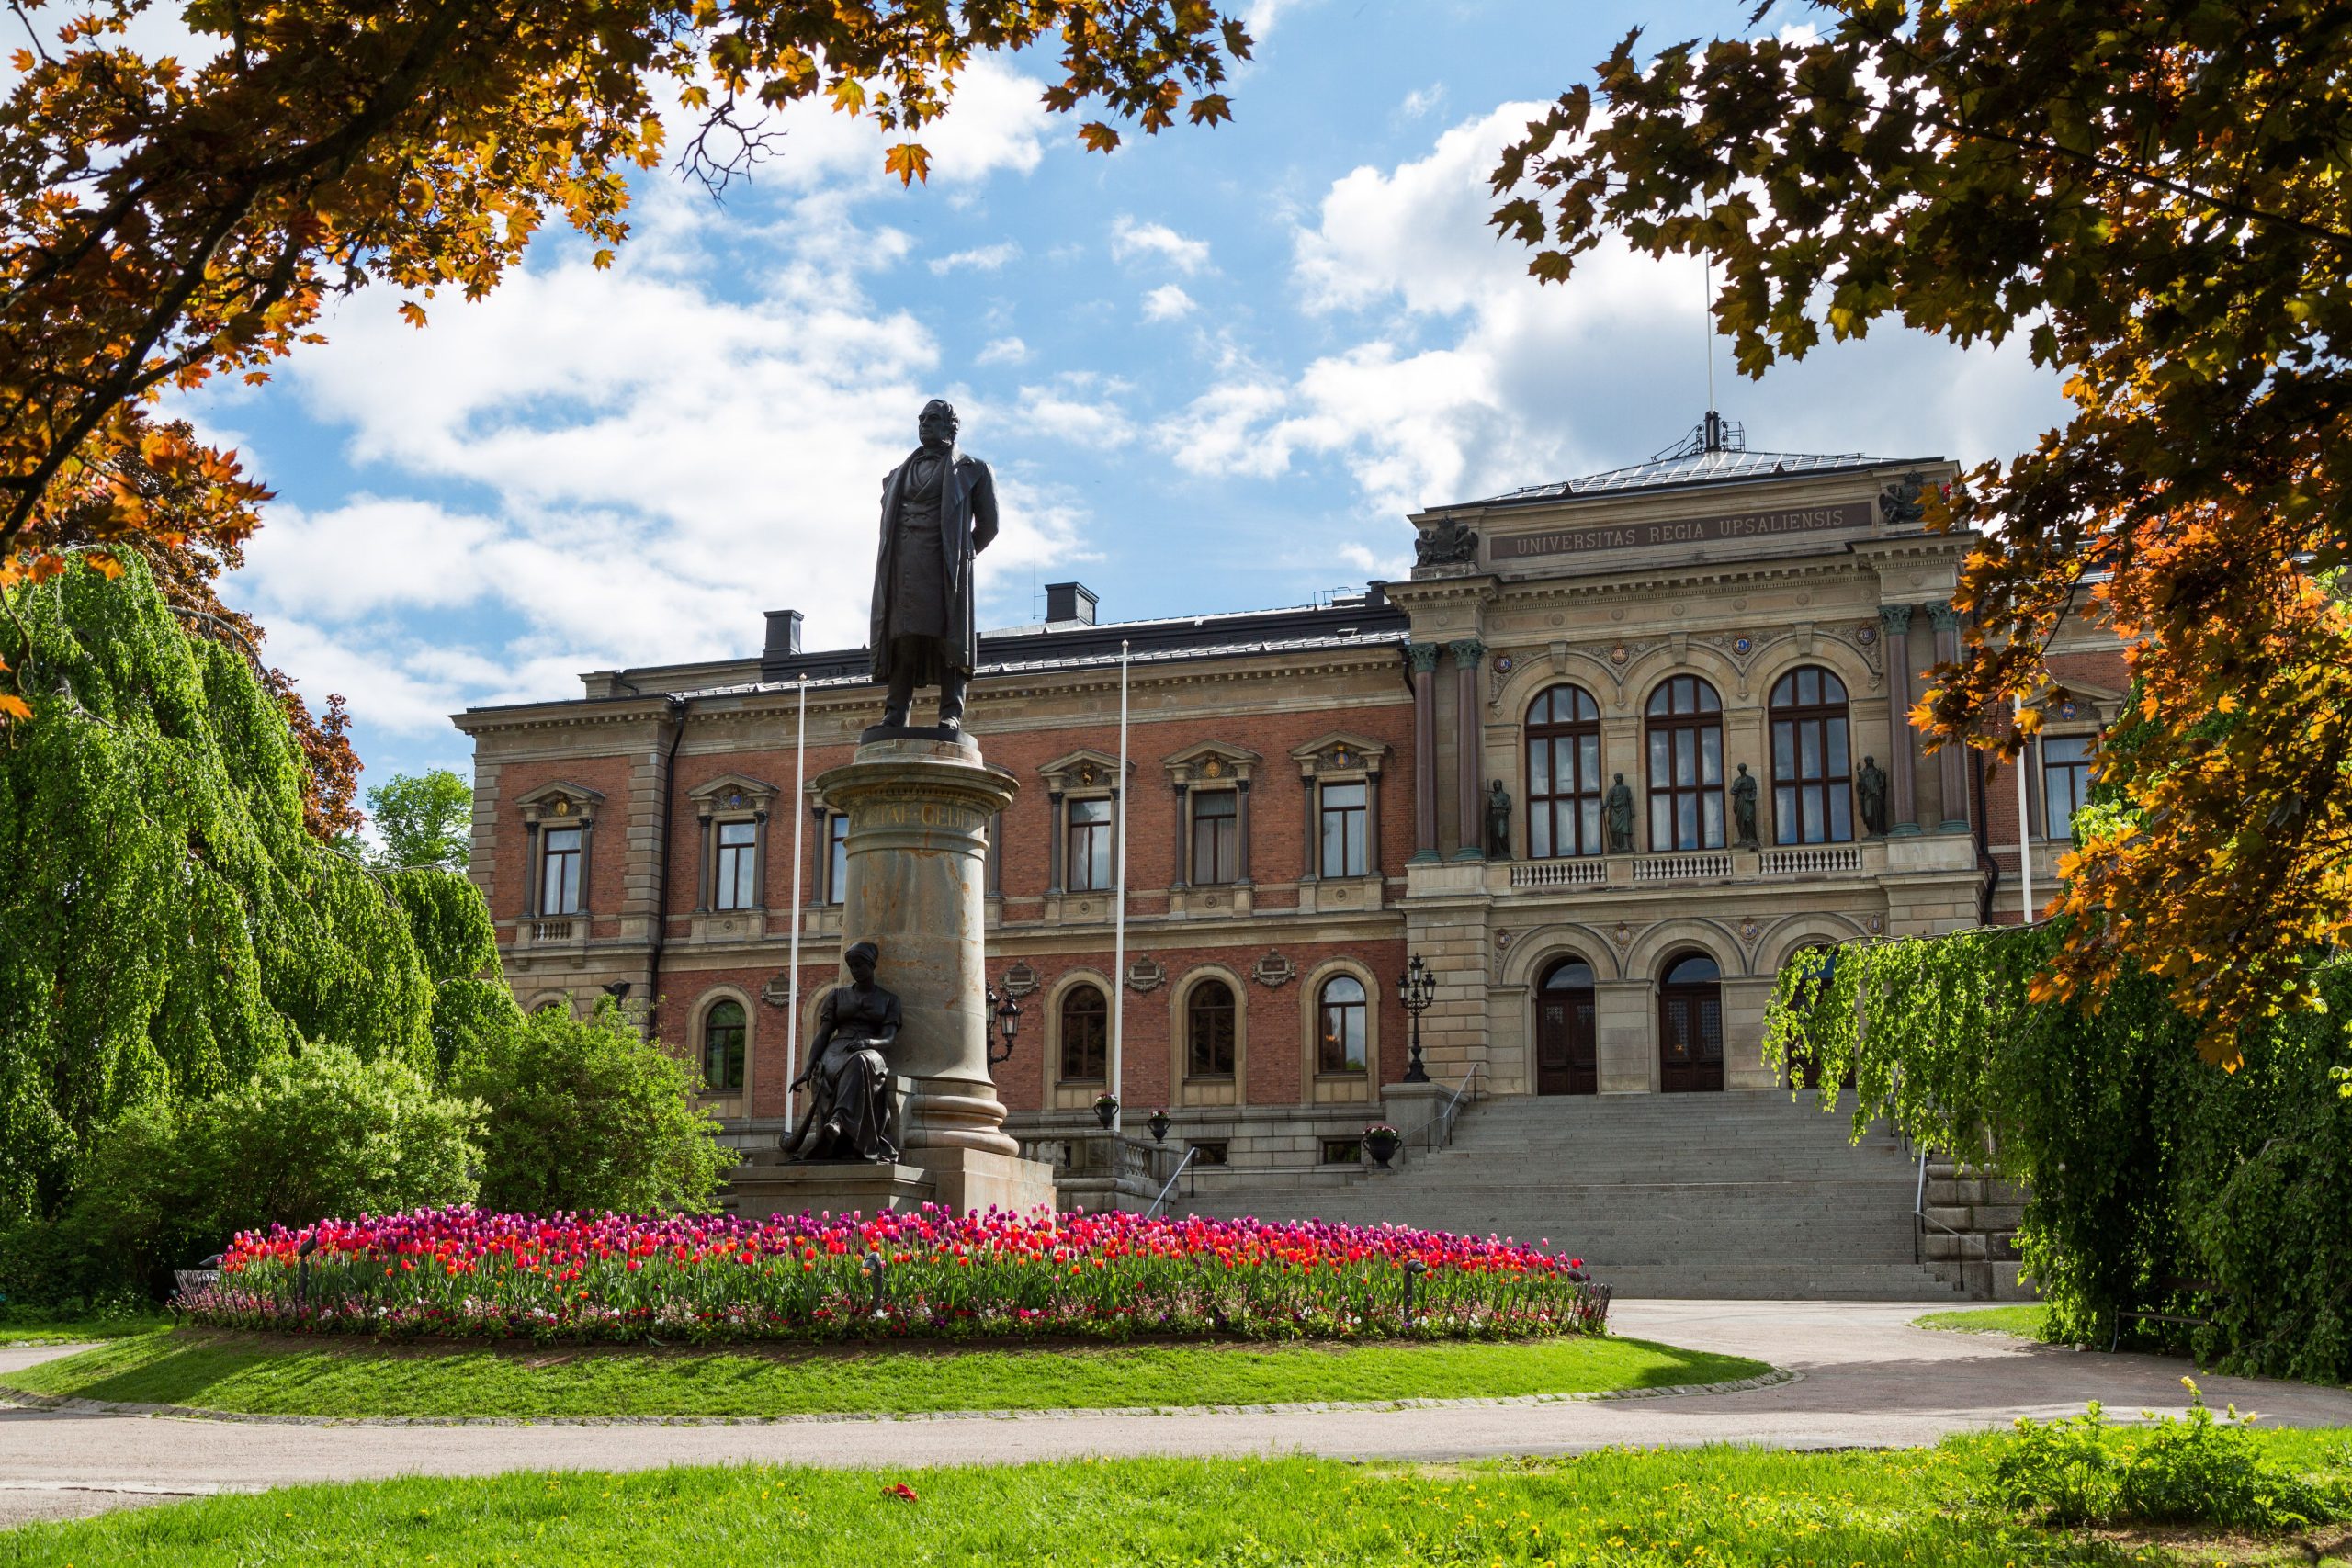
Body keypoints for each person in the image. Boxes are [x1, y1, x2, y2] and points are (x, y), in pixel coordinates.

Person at [869, 400, 999, 731]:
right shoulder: (895, 475)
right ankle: (895, 712)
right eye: (922, 419)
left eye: (933, 419)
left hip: (946, 567)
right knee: (902, 638)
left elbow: (988, 525)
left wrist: (962, 553)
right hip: (903, 566)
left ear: (951, 428)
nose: (925, 424)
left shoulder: (975, 470)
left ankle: (951, 713)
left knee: (949, 638)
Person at [782, 942, 901, 1163]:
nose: (854, 970)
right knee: (853, 1063)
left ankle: (838, 1119)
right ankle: (838, 1121)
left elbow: (889, 1038)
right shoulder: (837, 996)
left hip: (871, 1049)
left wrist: (869, 1042)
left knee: (861, 1061)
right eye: (851, 966)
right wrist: (808, 1068)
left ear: (872, 965)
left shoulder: (888, 999)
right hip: (837, 1049)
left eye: (859, 965)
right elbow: (823, 1035)